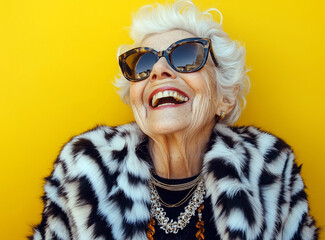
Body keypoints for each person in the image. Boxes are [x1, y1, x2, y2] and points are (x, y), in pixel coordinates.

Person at [30, 1, 318, 239]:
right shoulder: (84, 170)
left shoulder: (270, 171)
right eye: (143, 62)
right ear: (135, 99)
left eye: (187, 55)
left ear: (224, 98)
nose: (158, 70)